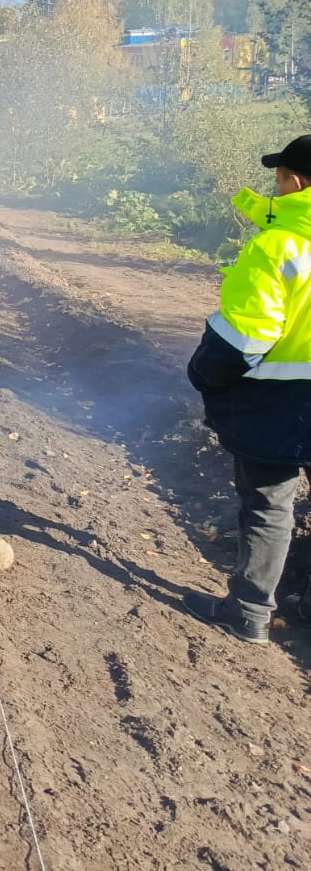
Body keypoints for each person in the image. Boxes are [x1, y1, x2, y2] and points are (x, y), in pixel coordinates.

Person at [183, 134, 311, 643]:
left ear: (295, 182)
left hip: (281, 403)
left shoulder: (278, 247)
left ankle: (250, 610)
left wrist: (205, 374)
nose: (273, 189)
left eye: (277, 179)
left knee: (269, 502)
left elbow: (249, 333)